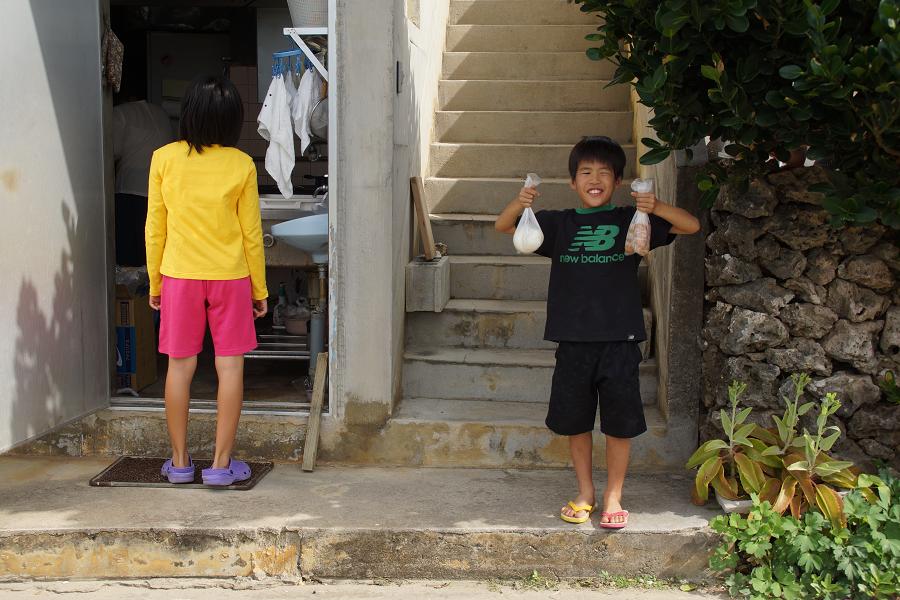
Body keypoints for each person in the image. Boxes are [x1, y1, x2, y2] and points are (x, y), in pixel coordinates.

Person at [494, 136, 700, 528]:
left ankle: (613, 496)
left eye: (604, 173)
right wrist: (522, 203)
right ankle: (586, 491)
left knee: (620, 425)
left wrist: (653, 206)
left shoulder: (631, 221)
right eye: (586, 172)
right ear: (573, 182)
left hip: (620, 341)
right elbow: (503, 225)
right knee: (576, 423)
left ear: (618, 181)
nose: (595, 179)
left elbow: (690, 225)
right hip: (573, 342)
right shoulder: (558, 224)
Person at [146, 76, 269, 486]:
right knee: (230, 366)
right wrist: (260, 289)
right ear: (233, 120)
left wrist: (155, 282)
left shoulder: (163, 159)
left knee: (179, 367)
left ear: (188, 115)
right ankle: (219, 466)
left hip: (179, 276)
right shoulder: (241, 164)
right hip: (230, 277)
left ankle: (180, 463)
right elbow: (251, 233)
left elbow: (155, 229)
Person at [112, 99, 175, 266]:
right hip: (161, 191)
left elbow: (110, 151)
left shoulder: (119, 113)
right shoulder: (162, 114)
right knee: (151, 249)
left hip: (129, 189)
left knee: (128, 253)